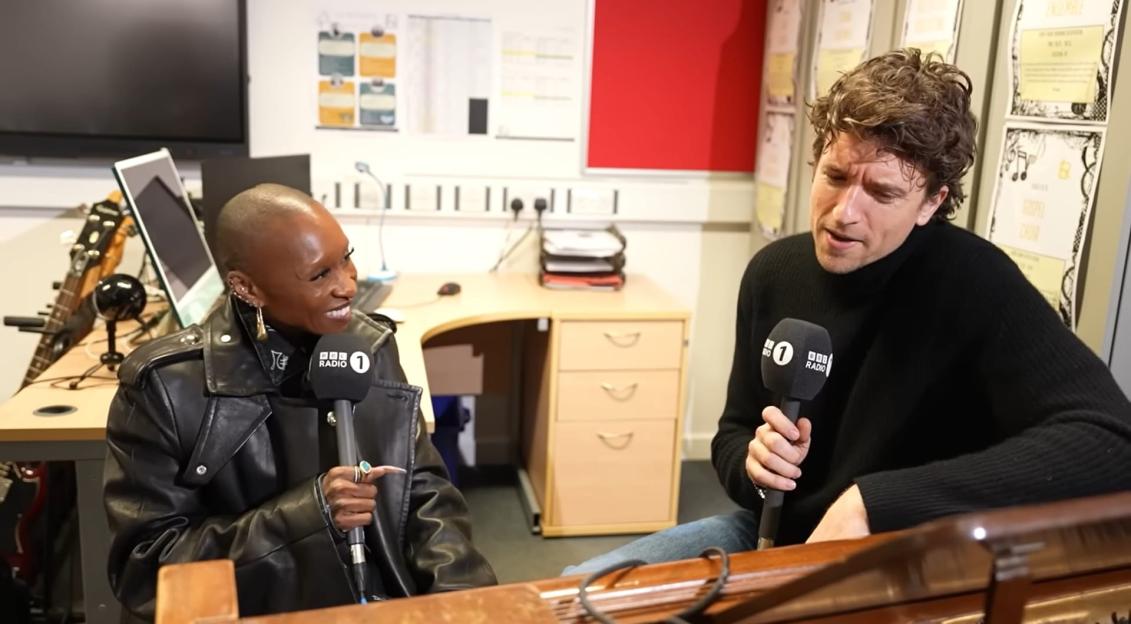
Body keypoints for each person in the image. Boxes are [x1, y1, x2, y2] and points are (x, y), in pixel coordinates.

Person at [566, 48, 1131, 574]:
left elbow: (1111, 439)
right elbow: (734, 432)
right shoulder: (773, 273)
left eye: (882, 193)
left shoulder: (975, 282)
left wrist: (874, 502)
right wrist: (754, 466)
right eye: (834, 177)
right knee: (577, 589)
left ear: (932, 202)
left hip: (904, 553)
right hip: (774, 532)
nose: (844, 213)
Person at [103, 184, 496, 621]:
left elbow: (423, 491)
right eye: (319, 275)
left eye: (346, 257)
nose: (348, 285)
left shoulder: (369, 344)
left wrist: (465, 601)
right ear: (247, 288)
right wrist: (308, 515)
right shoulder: (164, 387)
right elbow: (146, 569)